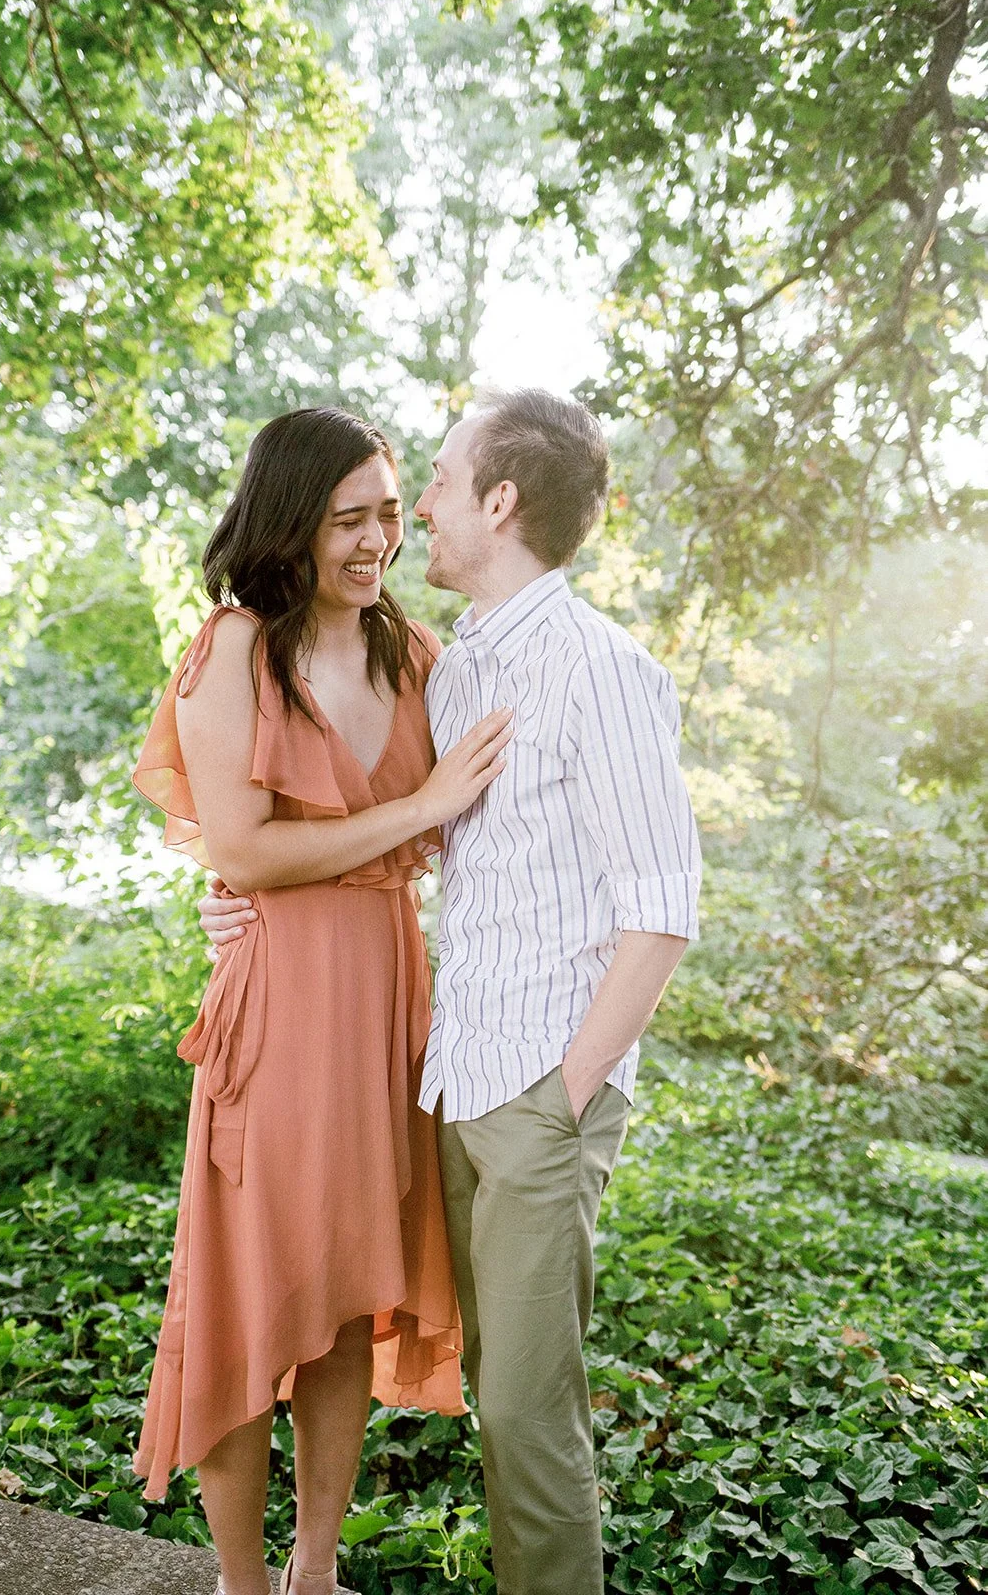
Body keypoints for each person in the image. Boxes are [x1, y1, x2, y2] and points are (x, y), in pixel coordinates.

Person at [201, 388, 702, 1595]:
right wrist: (237, 896)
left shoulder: (591, 667)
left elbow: (663, 906)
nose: (409, 512)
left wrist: (570, 1088)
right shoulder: (457, 664)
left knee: (528, 1419)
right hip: (443, 1068)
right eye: (368, 505)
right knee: (481, 1392)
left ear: (499, 500)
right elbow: (304, 821)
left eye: (423, 485)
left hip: (528, 1085)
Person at [131, 406, 513, 1595]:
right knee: (252, 1299)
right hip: (282, 1003)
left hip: (388, 1000)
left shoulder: (412, 651)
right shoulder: (236, 648)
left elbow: (493, 808)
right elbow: (241, 854)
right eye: (348, 518)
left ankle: (311, 1569)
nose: (375, 541)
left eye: (391, 513)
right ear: (289, 523)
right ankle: (240, 1581)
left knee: (350, 1299)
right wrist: (410, 814)